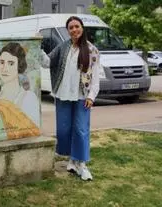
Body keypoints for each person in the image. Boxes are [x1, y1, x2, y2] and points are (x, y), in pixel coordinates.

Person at [41, 16, 100, 181]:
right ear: (68, 31)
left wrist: (91, 96)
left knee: (81, 129)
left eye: (77, 26)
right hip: (63, 94)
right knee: (64, 129)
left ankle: (82, 164)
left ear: (82, 27)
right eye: (71, 27)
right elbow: (47, 63)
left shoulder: (91, 50)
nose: (74, 30)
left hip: (83, 96)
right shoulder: (63, 47)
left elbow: (95, 76)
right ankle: (72, 160)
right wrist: (37, 47)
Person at [0, 42, 40, 127]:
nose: (4, 68)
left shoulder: (28, 98)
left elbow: (33, 128)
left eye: (11, 63)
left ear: (19, 66)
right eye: (2, 62)